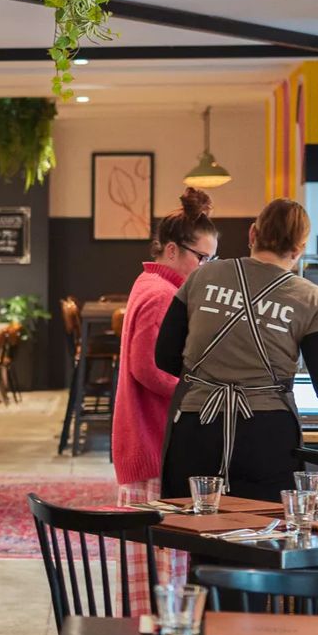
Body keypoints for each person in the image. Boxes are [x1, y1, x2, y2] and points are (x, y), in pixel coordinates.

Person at [155, 197, 318, 502]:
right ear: (298, 251)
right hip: (265, 436)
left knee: (196, 531)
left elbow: (164, 356)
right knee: (262, 538)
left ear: (252, 234)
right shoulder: (311, 299)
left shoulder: (202, 277)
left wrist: (214, 377)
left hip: (197, 428)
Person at [113, 188, 219, 487]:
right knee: (158, 532)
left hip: (146, 434)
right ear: (172, 250)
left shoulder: (149, 282)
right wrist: (198, 393)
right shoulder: (162, 294)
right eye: (201, 258)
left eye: (212, 259)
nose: (205, 267)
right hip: (153, 437)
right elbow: (148, 368)